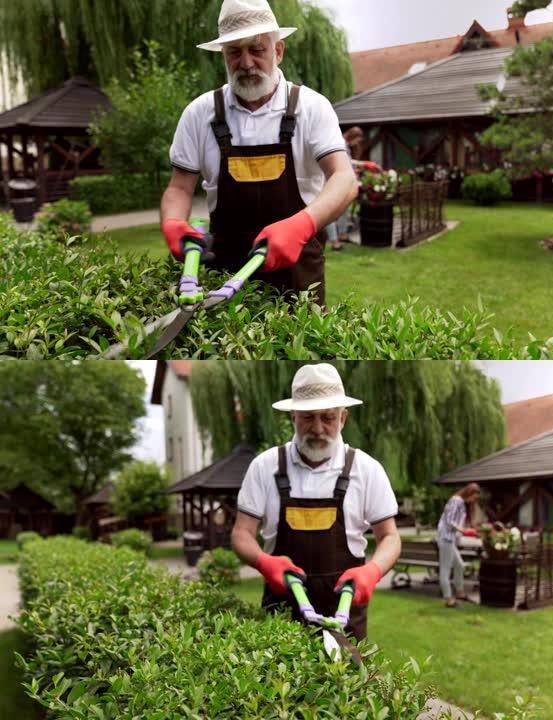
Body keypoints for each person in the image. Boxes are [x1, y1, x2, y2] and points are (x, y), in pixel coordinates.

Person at [161, 0, 358, 305]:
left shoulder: (311, 107)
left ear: (278, 51)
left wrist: (302, 224)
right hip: (223, 271)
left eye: (257, 49)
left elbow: (344, 178)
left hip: (298, 274)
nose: (247, 63)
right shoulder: (200, 113)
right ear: (223, 56)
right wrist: (173, 222)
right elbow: (179, 186)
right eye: (235, 52)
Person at [230, 363, 402, 641]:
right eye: (308, 417)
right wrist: (263, 562)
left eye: (328, 417)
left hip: (345, 615)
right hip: (280, 613)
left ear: (343, 418)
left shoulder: (366, 469)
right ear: (293, 417)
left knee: (347, 682)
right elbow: (241, 533)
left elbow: (390, 537)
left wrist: (373, 570)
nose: (318, 428)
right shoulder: (265, 466)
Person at [437, 483, 481, 608]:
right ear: (469, 493)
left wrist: (469, 529)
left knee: (459, 565)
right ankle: (449, 599)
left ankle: (460, 592)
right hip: (446, 538)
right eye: (474, 497)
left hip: (450, 539)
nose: (473, 500)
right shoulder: (456, 501)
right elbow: (449, 521)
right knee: (445, 569)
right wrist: (464, 531)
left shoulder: (461, 503)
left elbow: (457, 522)